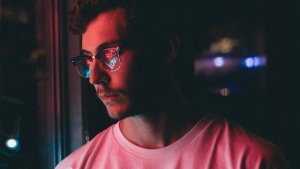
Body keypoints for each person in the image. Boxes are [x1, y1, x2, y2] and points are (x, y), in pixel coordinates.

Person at [56, 0, 290, 168]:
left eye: (110, 54)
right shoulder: (76, 166)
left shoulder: (252, 160)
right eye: (88, 59)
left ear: (167, 49)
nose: (95, 77)